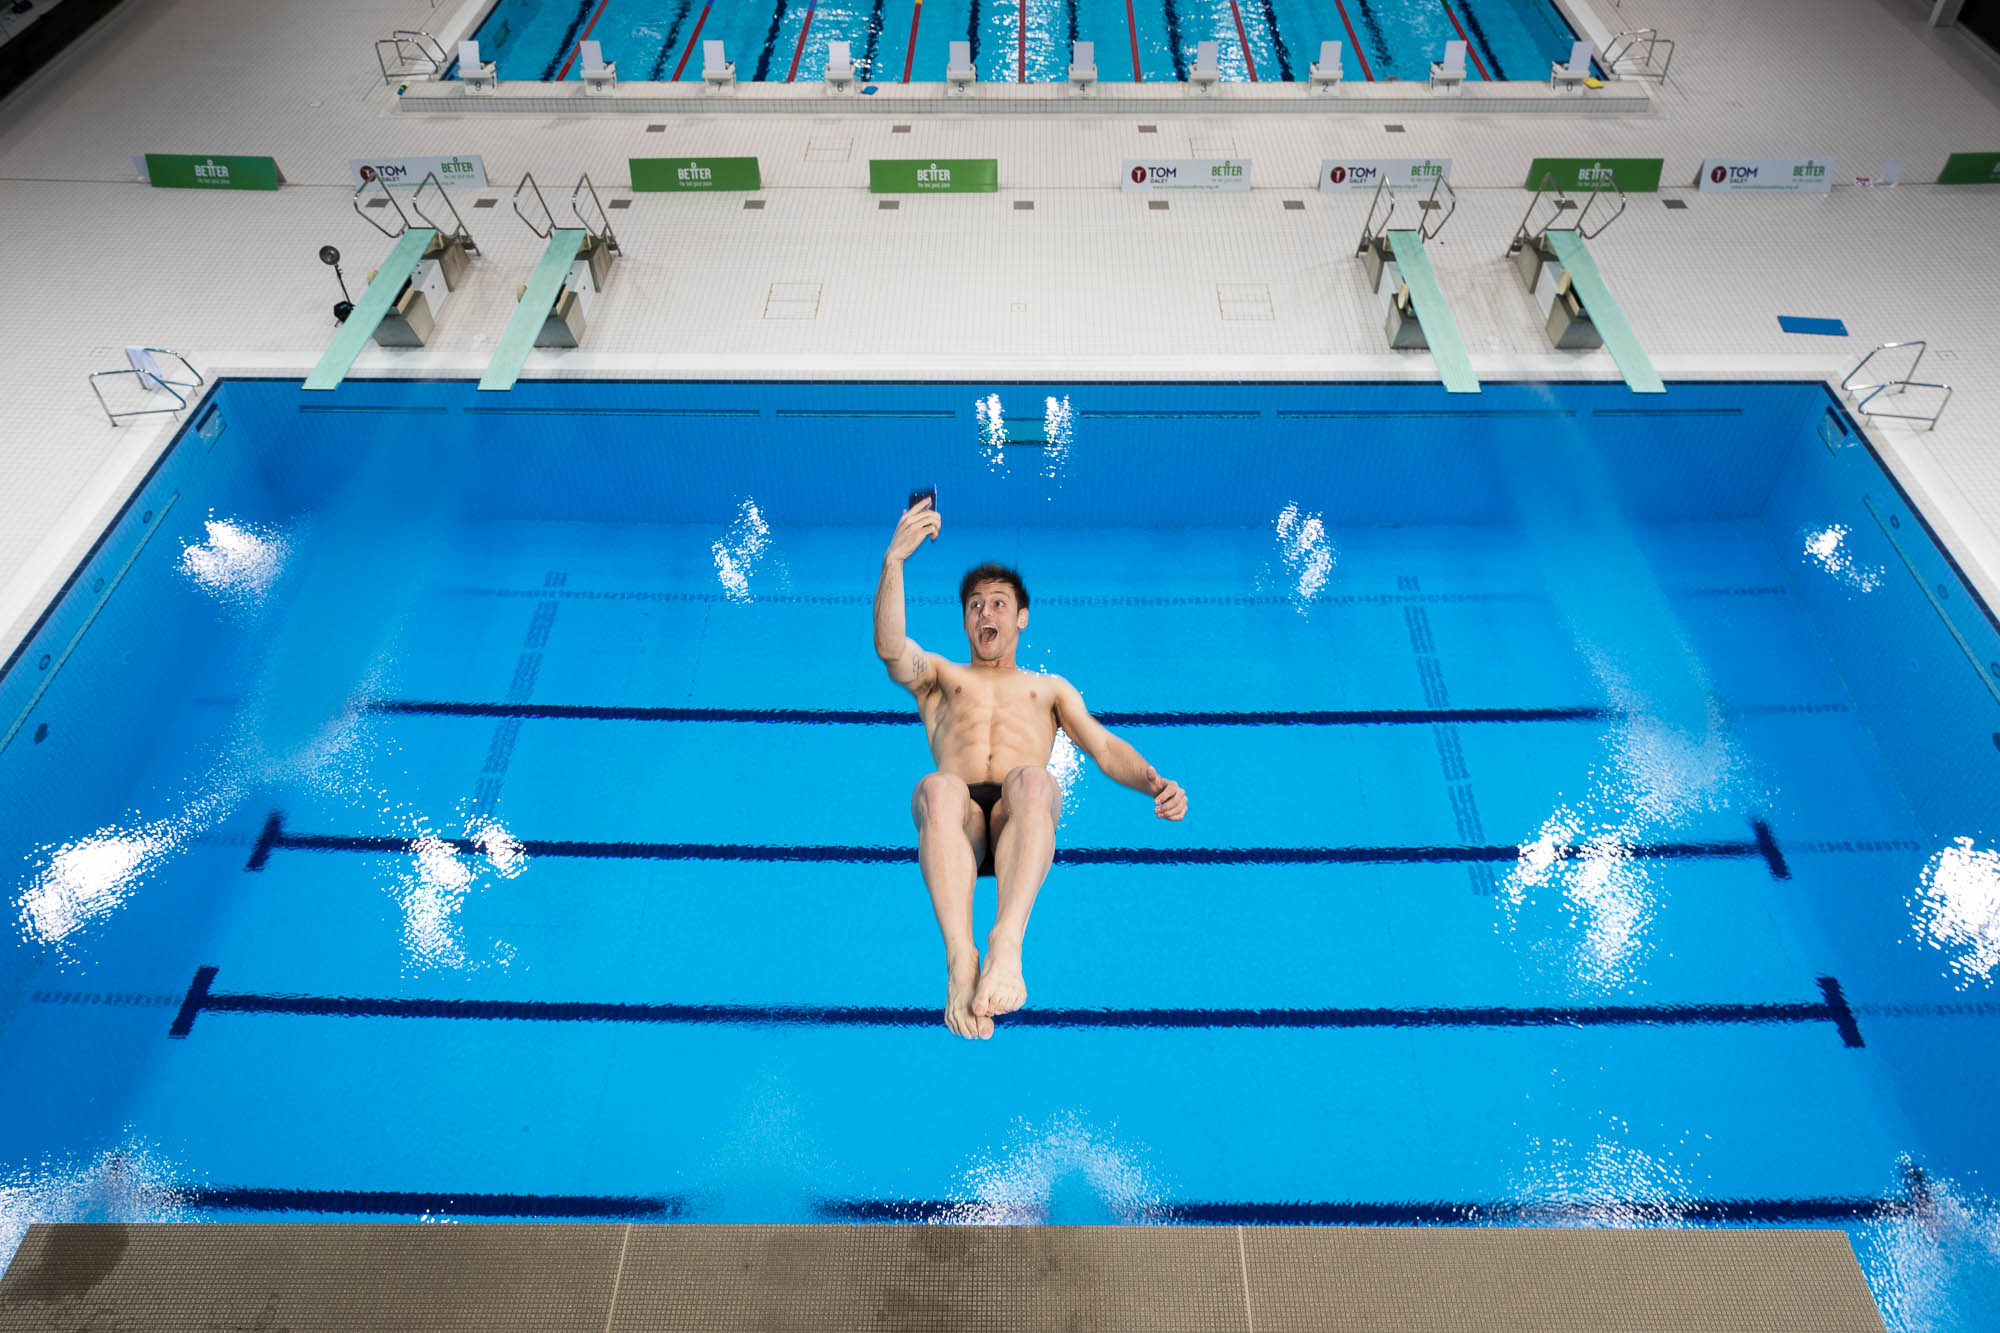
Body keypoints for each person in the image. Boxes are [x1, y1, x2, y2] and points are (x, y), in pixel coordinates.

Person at [872, 496, 1188, 1040]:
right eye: (974, 605)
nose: (984, 613)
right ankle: (959, 961)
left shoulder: (1048, 688)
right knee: (938, 787)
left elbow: (1105, 748)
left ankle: (1006, 946)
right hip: (959, 828)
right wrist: (894, 562)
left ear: (1021, 617)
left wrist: (1153, 782)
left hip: (1023, 819)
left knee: (1035, 778)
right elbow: (891, 648)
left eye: (997, 603)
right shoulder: (943, 677)